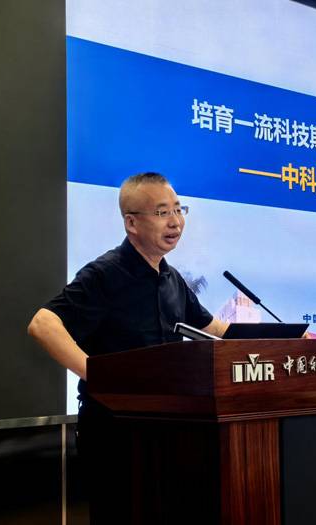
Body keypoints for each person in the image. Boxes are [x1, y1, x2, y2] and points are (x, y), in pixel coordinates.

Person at [27, 172, 228, 522]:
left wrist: (285, 336)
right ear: (131, 223)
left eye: (178, 209)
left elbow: (212, 328)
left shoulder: (171, 278)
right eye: (162, 212)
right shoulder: (105, 274)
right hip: (115, 431)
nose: (176, 222)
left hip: (168, 426)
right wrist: (98, 376)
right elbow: (43, 324)